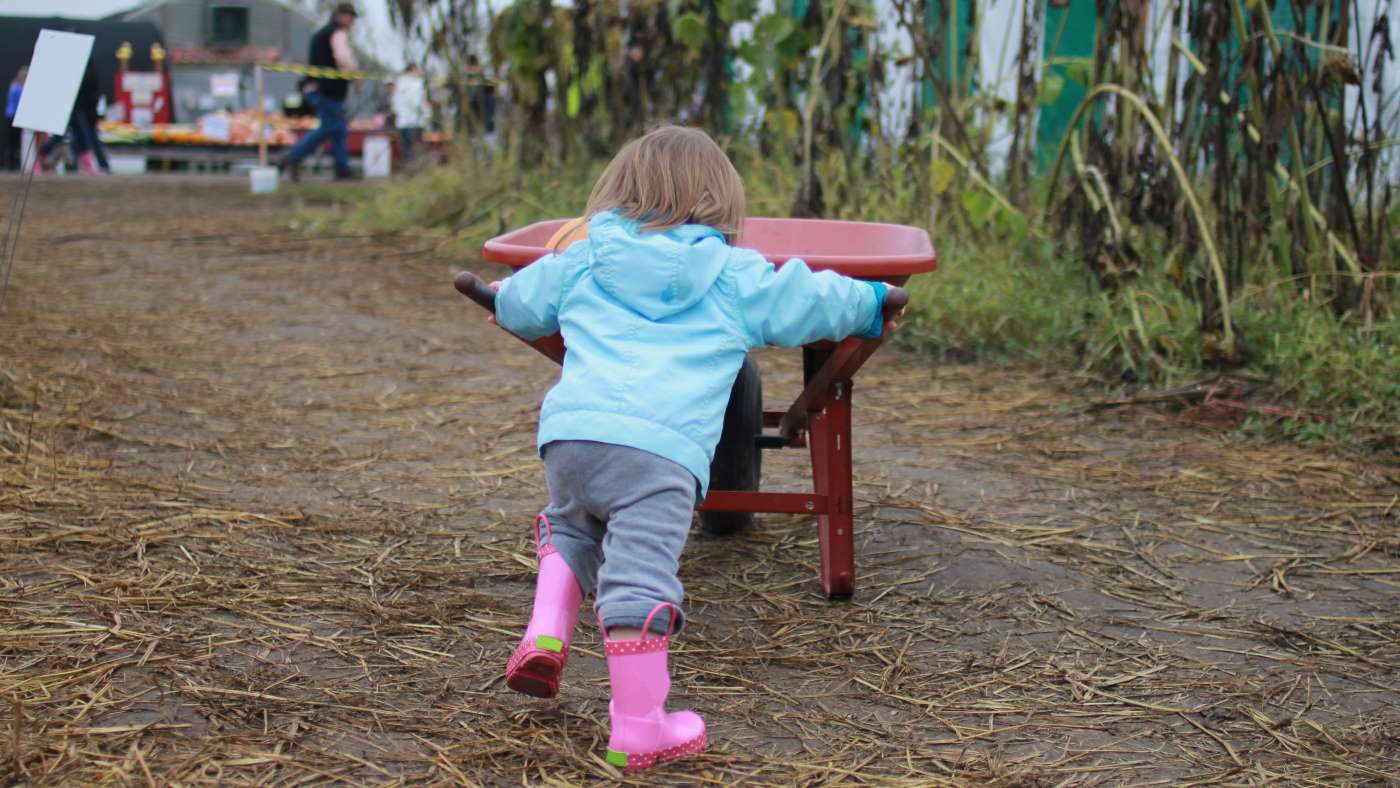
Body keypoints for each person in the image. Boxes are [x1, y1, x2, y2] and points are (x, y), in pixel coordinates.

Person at [483, 126, 906, 773]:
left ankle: (546, 632)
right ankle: (639, 726)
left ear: (619, 190)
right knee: (640, 574)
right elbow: (808, 299)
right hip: (658, 453)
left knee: (572, 527)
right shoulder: (731, 275)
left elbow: (519, 303)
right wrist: (872, 301)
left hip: (571, 435)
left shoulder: (586, 255)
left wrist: (501, 302)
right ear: (721, 202)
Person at [282, 2, 359, 182]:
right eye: (351, 17)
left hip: (322, 88)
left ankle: (342, 169)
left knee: (338, 129)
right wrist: (356, 77)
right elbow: (344, 58)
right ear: (342, 16)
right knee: (330, 127)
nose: (353, 22)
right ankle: (294, 156)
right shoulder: (337, 33)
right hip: (326, 89)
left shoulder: (322, 33)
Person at [389, 63, 427, 166]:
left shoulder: (399, 82)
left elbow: (394, 103)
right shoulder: (417, 84)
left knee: (405, 152)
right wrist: (426, 115)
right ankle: (415, 171)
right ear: (413, 70)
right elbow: (418, 103)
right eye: (418, 70)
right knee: (415, 151)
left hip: (402, 123)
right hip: (414, 122)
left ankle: (408, 170)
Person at [3, 67, 25, 171]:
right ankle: (14, 164)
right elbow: (19, 104)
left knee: (11, 141)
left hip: (9, 115)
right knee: (15, 141)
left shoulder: (13, 86)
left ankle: (10, 164)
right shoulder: (19, 88)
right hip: (15, 116)